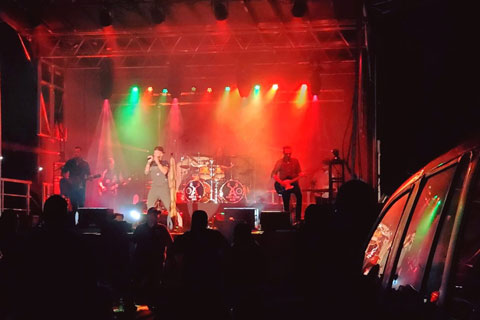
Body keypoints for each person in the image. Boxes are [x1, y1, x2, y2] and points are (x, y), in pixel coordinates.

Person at [271, 146, 303, 223]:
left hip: (294, 183)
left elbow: (299, 172)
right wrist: (282, 183)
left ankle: (298, 218)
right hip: (284, 184)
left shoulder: (295, 161)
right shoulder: (280, 162)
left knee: (299, 197)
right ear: (283, 153)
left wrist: (301, 174)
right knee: (286, 201)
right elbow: (273, 174)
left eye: (290, 154)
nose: (288, 155)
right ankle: (286, 219)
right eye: (286, 154)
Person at [145, 146, 172, 226]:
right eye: (154, 152)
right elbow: (146, 172)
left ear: (161, 154)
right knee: (150, 205)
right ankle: (150, 223)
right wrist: (148, 162)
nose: (154, 154)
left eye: (156, 153)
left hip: (163, 187)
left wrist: (157, 162)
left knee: (169, 206)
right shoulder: (152, 163)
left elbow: (164, 171)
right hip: (154, 187)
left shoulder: (165, 162)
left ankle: (172, 223)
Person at [61, 146, 92, 213]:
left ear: (81, 153)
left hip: (81, 187)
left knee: (81, 205)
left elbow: (89, 174)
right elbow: (63, 172)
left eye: (78, 152)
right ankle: (73, 221)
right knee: (73, 205)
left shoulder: (85, 164)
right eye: (75, 152)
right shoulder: (70, 162)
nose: (76, 153)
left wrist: (90, 178)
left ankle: (81, 221)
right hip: (72, 187)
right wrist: (68, 180)